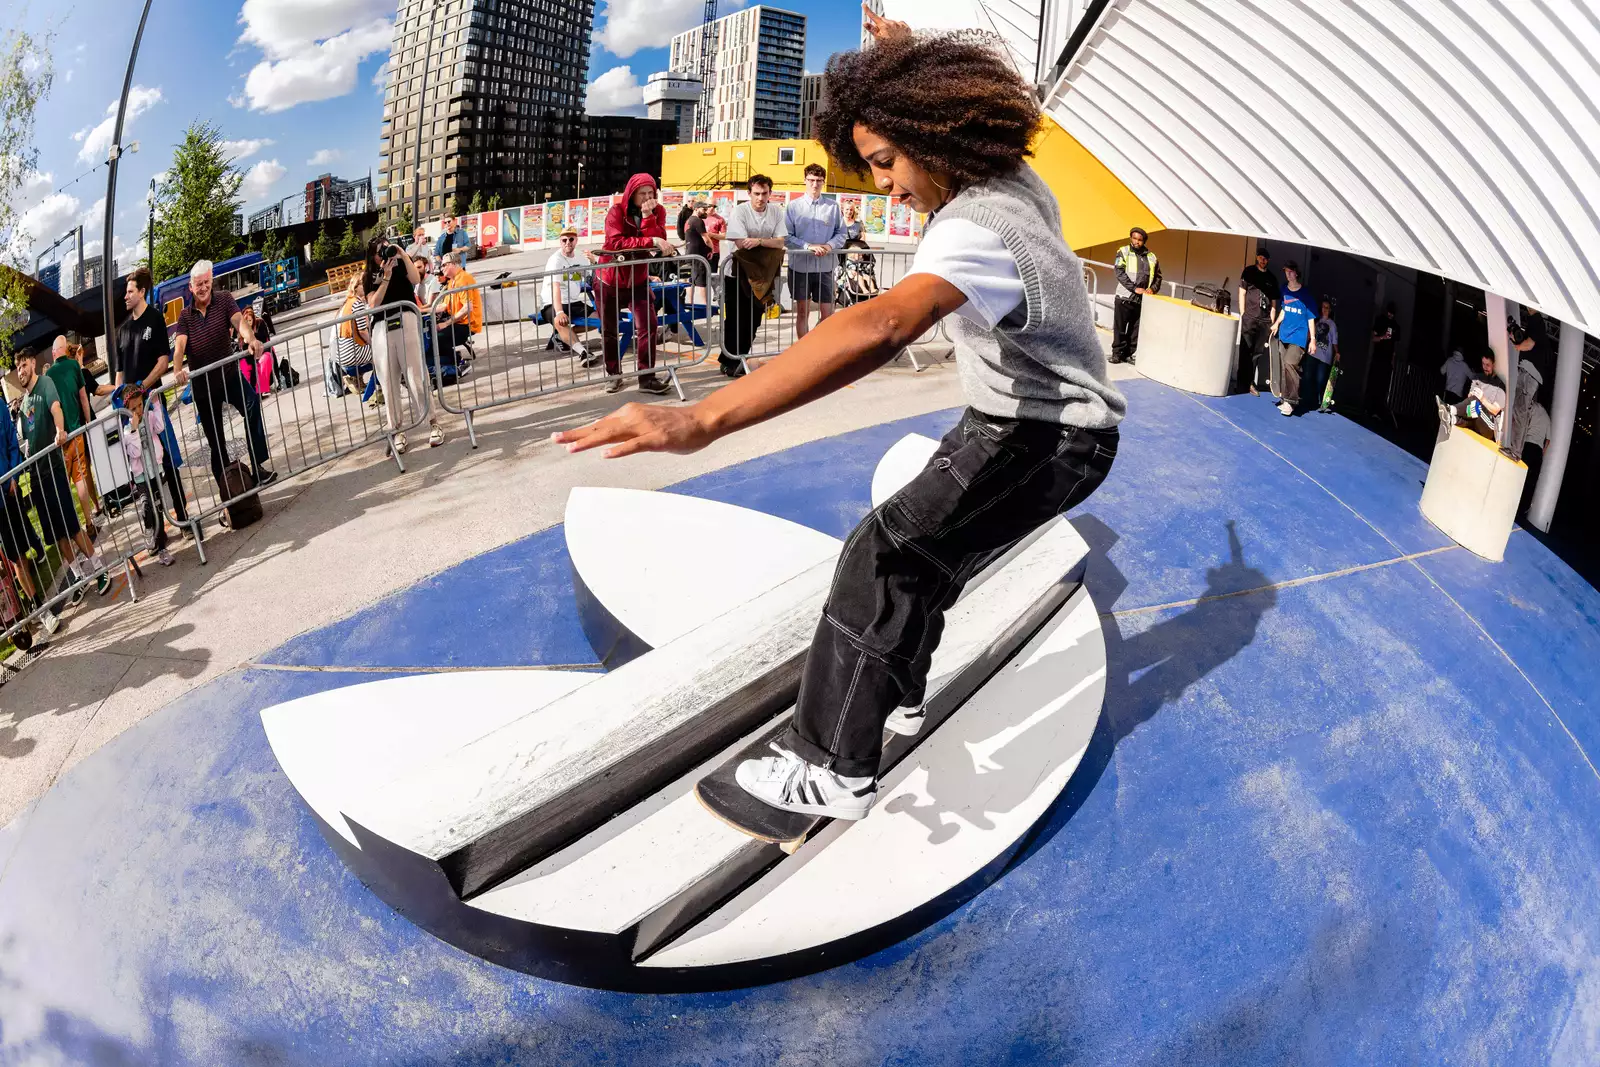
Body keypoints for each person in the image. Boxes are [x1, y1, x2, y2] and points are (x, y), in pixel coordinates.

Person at [553, 13, 1122, 821]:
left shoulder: (975, 230)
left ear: (935, 133)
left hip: (1046, 434)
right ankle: (896, 693)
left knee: (880, 554)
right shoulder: (1011, 179)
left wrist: (706, 418)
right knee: (922, 559)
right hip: (1022, 420)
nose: (887, 185)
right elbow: (925, 114)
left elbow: (882, 325)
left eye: (888, 163)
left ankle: (831, 765)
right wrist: (896, 58)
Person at [172, 260, 279, 492]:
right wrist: (178, 369)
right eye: (198, 284)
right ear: (190, 287)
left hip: (229, 375)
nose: (202, 288)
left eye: (206, 283)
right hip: (203, 387)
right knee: (216, 440)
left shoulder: (224, 299)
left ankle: (258, 466)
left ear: (212, 282)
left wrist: (251, 340)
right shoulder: (185, 316)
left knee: (252, 403)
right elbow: (179, 347)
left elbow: (239, 322)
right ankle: (227, 491)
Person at [15, 348, 110, 598]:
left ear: (33, 363)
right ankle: (78, 576)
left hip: (55, 468)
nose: (21, 371)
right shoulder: (24, 403)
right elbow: (26, 438)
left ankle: (99, 568)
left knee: (71, 524)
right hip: (37, 477)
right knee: (56, 533)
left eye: (24, 365)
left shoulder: (45, 384)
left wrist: (60, 430)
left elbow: (56, 408)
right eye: (17, 368)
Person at [105, 267, 188, 529]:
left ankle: (182, 516)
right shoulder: (123, 330)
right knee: (142, 471)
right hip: (130, 415)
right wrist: (119, 403)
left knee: (168, 459)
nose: (126, 297)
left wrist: (143, 387)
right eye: (126, 293)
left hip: (152, 403)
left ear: (142, 292)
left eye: (130, 292)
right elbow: (119, 374)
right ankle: (155, 529)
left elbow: (163, 361)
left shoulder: (154, 319)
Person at [596, 173, 675, 396]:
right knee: (609, 331)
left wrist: (648, 216)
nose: (648, 198)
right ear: (632, 194)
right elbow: (615, 242)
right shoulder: (616, 211)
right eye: (643, 194)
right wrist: (651, 241)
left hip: (638, 280)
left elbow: (659, 240)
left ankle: (647, 377)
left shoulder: (658, 211)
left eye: (651, 193)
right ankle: (614, 375)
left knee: (648, 326)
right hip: (609, 279)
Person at [365, 235, 445, 453]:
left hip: (406, 319)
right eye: (380, 250)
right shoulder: (369, 275)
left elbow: (416, 280)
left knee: (415, 375)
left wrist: (401, 253)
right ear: (372, 256)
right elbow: (373, 303)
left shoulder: (402, 263)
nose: (385, 253)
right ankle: (396, 430)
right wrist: (386, 277)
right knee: (389, 381)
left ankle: (432, 422)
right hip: (382, 327)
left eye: (386, 247)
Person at [719, 174, 788, 377]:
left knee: (754, 320)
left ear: (770, 193)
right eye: (756, 193)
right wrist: (766, 241)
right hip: (736, 274)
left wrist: (757, 241)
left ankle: (741, 357)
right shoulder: (740, 211)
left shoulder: (776, 212)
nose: (760, 197)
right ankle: (728, 361)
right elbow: (741, 243)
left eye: (764, 193)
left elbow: (780, 242)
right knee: (735, 319)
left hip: (762, 276)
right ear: (748, 193)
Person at [785, 163, 847, 340]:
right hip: (800, 267)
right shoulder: (793, 207)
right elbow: (786, 236)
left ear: (823, 182)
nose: (815, 184)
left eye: (819, 180)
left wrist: (829, 245)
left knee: (828, 313)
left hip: (825, 267)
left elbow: (842, 233)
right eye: (811, 180)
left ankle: (818, 346)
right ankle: (803, 350)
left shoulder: (833, 206)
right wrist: (807, 246)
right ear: (804, 180)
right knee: (803, 312)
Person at [0, 397, 49, 619]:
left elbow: (11, 440)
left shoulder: (0, 405)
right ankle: (36, 605)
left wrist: (13, 474)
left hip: (10, 490)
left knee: (22, 552)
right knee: (15, 556)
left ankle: (36, 603)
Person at [44, 337, 100, 528]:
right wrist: (88, 422)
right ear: (65, 350)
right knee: (81, 478)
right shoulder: (75, 366)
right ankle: (88, 521)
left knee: (65, 484)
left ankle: (71, 527)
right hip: (76, 431)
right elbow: (84, 398)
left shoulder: (48, 376)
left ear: (53, 354)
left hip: (60, 438)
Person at [116, 385, 174, 567]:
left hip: (155, 470)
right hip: (141, 476)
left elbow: (160, 426)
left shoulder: (148, 417)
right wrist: (133, 431)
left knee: (158, 506)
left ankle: (162, 546)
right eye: (133, 409)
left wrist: (155, 405)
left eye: (140, 405)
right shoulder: (127, 430)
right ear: (127, 410)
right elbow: (134, 452)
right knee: (147, 505)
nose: (138, 411)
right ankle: (149, 529)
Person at [1270, 260, 1316, 415]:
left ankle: (1291, 402)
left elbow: (1310, 318)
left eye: (1290, 271)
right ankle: (1284, 398)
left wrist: (1313, 339)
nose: (1288, 274)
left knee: (1291, 364)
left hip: (1299, 336)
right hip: (1284, 334)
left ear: (1296, 273)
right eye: (1285, 272)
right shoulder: (1284, 290)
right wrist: (1276, 323)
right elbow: (1284, 309)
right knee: (1285, 367)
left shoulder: (1306, 295)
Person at [544, 229, 597, 363]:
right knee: (559, 321)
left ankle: (563, 336)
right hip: (552, 302)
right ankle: (583, 352)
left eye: (571, 239)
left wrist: (594, 263)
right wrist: (560, 312)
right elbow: (555, 287)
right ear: (560, 242)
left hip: (573, 302)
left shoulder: (580, 258)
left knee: (600, 318)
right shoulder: (555, 260)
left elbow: (592, 279)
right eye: (564, 240)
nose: (568, 243)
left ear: (576, 240)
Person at [1110, 226, 1161, 365]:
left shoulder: (1152, 257)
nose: (1136, 242)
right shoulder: (1123, 252)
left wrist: (1152, 289)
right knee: (1120, 328)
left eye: (1140, 240)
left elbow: (1158, 277)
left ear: (1144, 241)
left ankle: (1128, 354)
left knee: (1135, 330)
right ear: (1131, 238)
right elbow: (1119, 272)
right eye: (1134, 238)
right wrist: (1134, 288)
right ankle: (1116, 354)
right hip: (1124, 297)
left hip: (1141, 299)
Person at [1236, 246, 1279, 395]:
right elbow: (1242, 292)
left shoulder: (1272, 279)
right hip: (1250, 318)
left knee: (1257, 353)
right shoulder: (1248, 272)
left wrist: (1272, 320)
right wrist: (1243, 313)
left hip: (1264, 320)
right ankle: (1241, 383)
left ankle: (1250, 383)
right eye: (1260, 257)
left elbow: (1274, 302)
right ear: (1257, 258)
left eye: (1265, 258)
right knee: (1245, 350)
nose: (1262, 260)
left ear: (1268, 261)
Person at [1438, 350, 1505, 441]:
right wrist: (1471, 395)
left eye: (1488, 365)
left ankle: (1450, 409)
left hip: (1489, 426)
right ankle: (1452, 419)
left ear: (1493, 364)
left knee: (1476, 403)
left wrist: (1482, 399)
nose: (1485, 367)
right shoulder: (1477, 378)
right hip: (1475, 415)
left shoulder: (1500, 385)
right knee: (1473, 406)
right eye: (1483, 364)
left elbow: (1495, 410)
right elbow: (1469, 400)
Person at [330, 274, 375, 398]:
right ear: (356, 287)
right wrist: (374, 343)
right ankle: (380, 387)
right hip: (351, 353)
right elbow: (362, 331)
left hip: (341, 353)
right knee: (383, 351)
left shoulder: (347, 302)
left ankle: (357, 380)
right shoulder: (357, 303)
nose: (366, 285)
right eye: (363, 283)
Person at [439, 257, 484, 365]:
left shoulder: (463, 279)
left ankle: (458, 361)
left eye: (444, 265)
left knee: (438, 338)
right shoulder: (452, 281)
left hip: (467, 324)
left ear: (454, 263)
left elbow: (467, 308)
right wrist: (420, 309)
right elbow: (444, 305)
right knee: (432, 335)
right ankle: (449, 361)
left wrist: (446, 324)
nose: (442, 268)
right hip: (458, 322)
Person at [1304, 297, 1339, 414]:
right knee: (1308, 377)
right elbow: (1309, 334)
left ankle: (1321, 402)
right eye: (1323, 307)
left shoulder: (1332, 325)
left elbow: (1334, 341)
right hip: (1313, 353)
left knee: (1320, 380)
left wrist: (1337, 353)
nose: (1325, 309)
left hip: (1324, 357)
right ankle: (1307, 400)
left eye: (1327, 308)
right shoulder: (1316, 320)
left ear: (1330, 310)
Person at [1366, 302, 1399, 413]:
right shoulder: (1380, 320)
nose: (1390, 315)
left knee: (1383, 386)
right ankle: (1368, 408)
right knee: (1373, 382)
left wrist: (1392, 361)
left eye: (1392, 313)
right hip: (1378, 357)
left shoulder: (1395, 326)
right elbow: (1372, 338)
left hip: (1387, 359)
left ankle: (1377, 410)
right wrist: (1382, 337)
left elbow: (1394, 345)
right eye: (1389, 312)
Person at [705, 204, 727, 272]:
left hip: (714, 252)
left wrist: (712, 235)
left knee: (712, 277)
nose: (712, 208)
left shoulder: (720, 219)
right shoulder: (699, 217)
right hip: (700, 252)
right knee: (699, 279)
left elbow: (724, 236)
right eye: (709, 205)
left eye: (714, 206)